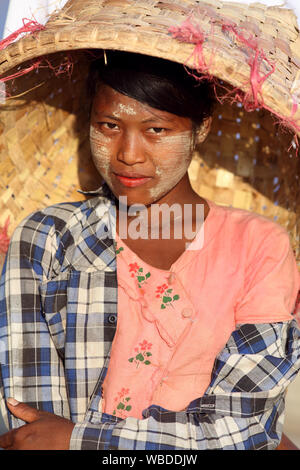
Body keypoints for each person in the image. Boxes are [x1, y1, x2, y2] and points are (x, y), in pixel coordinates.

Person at [0, 51, 299, 450]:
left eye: (155, 129)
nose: (128, 153)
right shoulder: (50, 238)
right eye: (109, 125)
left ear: (201, 128)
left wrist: (79, 440)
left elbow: (245, 428)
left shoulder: (258, 246)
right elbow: (32, 426)